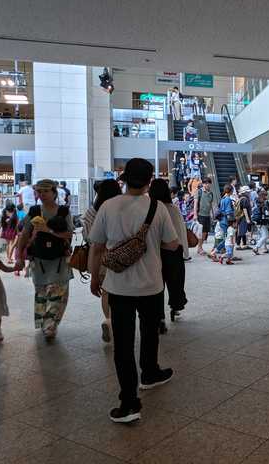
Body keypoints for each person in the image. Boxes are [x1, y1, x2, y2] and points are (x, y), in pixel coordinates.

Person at [88, 158, 180, 424]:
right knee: (150, 332)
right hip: (151, 285)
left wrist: (95, 278)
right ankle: (150, 373)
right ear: (150, 180)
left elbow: (96, 246)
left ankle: (129, 403)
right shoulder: (158, 208)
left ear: (123, 178)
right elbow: (172, 244)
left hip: (117, 286)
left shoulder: (108, 206)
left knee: (124, 345)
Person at [14, 180, 74, 339]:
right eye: (39, 192)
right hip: (39, 260)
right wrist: (19, 256)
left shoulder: (63, 211)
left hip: (60, 260)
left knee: (58, 294)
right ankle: (45, 323)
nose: (42, 195)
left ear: (54, 192)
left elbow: (69, 234)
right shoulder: (34, 211)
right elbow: (24, 234)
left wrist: (48, 230)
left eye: (45, 191)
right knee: (41, 294)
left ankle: (50, 325)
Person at [82, 179, 122, 343]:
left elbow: (87, 236)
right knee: (119, 292)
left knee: (105, 291)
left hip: (97, 256)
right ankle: (115, 322)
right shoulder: (120, 208)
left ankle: (108, 320)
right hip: (117, 255)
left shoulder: (92, 211)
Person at [149, 179, 188, 325]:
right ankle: (175, 307)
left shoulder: (151, 208)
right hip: (174, 252)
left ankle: (160, 317)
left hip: (155, 252)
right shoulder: (173, 208)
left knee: (157, 285)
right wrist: (184, 252)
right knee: (175, 282)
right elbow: (180, 231)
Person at [212, 185, 235, 260]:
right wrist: (231, 223)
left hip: (222, 220)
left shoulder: (223, 198)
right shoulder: (228, 199)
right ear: (231, 191)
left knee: (226, 238)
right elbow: (228, 212)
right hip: (226, 221)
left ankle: (218, 252)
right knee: (228, 238)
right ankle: (216, 252)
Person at [193, 177, 215, 255]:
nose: (207, 185)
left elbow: (211, 205)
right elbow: (195, 204)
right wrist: (195, 214)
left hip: (207, 215)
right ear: (203, 184)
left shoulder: (211, 193)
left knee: (205, 233)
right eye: (205, 183)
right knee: (200, 233)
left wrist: (212, 214)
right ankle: (199, 248)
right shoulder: (199, 192)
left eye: (208, 183)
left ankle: (200, 247)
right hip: (200, 215)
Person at [252, 189, 269, 255]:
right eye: (266, 195)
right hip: (261, 222)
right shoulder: (262, 204)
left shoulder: (257, 201)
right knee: (265, 235)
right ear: (263, 196)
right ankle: (256, 247)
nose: (267, 197)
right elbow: (265, 213)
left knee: (262, 235)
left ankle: (265, 248)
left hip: (258, 221)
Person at [235, 186, 252, 250]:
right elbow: (244, 209)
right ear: (245, 192)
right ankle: (238, 245)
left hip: (241, 217)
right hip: (243, 217)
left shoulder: (241, 198)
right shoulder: (245, 199)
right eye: (248, 192)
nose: (249, 193)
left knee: (243, 231)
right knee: (242, 231)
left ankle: (244, 244)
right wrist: (247, 219)